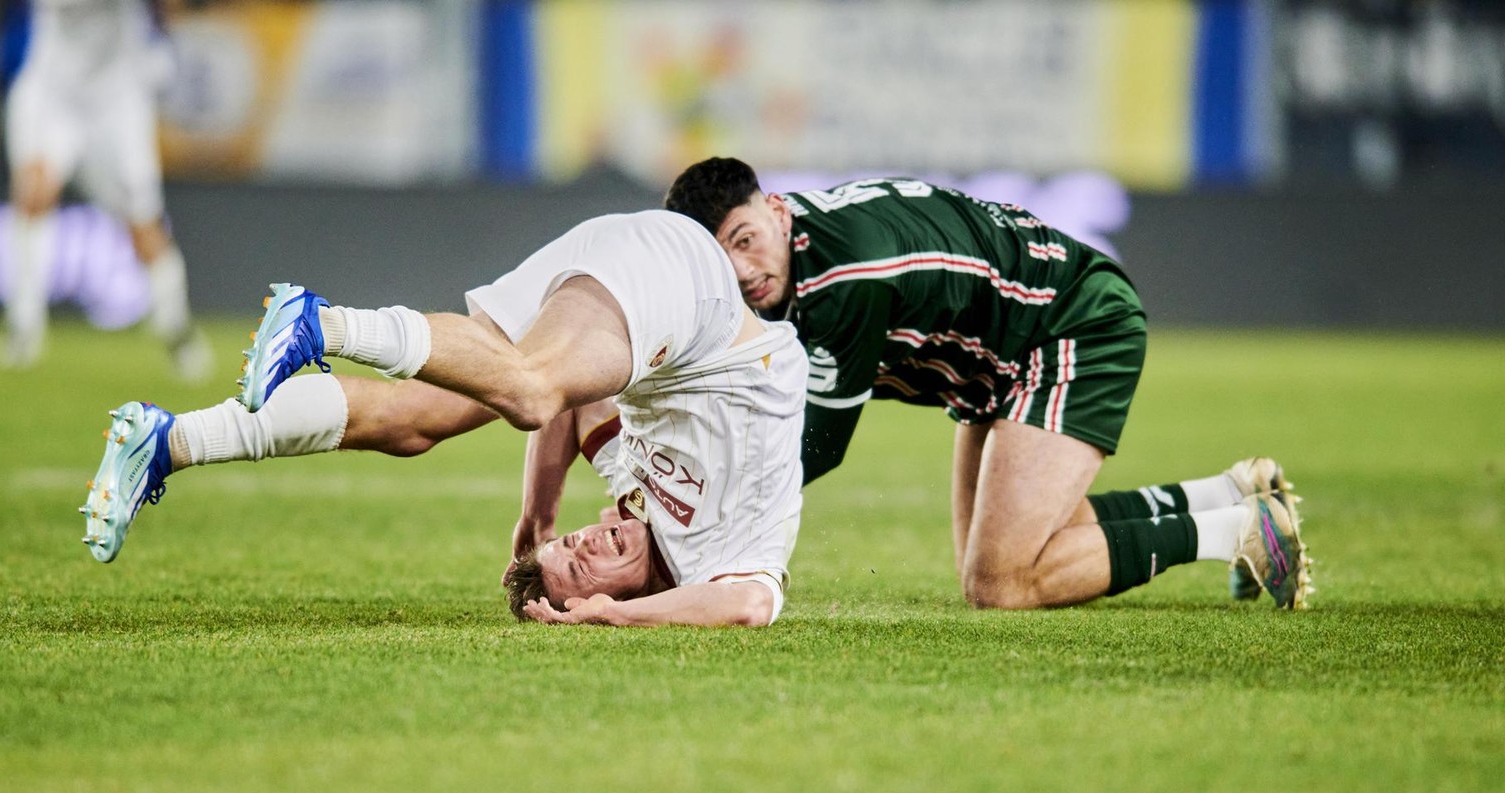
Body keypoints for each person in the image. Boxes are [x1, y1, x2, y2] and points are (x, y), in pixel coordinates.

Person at [79, 209, 808, 627]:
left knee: (412, 424)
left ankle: (168, 442)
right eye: (587, 565)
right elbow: (746, 606)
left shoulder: (629, 479)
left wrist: (537, 519)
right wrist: (612, 618)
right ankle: (319, 324)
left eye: (573, 552)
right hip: (691, 294)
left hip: (624, 270)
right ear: (625, 596)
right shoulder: (723, 558)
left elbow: (582, 398)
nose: (585, 542)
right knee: (528, 392)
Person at [662, 157, 1314, 610]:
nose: (743, 272)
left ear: (776, 211)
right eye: (722, 260)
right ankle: (1226, 493)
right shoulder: (794, 252)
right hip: (997, 357)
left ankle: (1243, 531)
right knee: (1002, 549)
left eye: (745, 240)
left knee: (1003, 580)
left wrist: (707, 518)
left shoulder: (838, 280)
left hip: (1066, 323)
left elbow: (817, 446)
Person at [2, 0, 211, 377]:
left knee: (143, 222)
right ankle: (23, 327)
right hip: (53, 93)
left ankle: (175, 327)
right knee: (33, 194)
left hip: (118, 100)